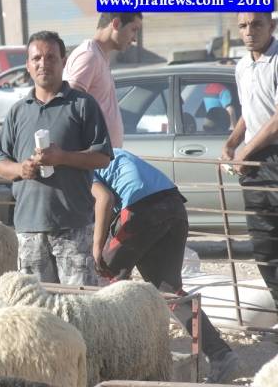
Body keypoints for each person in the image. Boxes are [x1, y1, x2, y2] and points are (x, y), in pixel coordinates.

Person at [92, 148, 239, 384]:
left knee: (105, 273)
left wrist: (97, 246)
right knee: (169, 291)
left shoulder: (79, 162)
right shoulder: (111, 152)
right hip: (173, 205)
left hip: (140, 210)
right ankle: (220, 354)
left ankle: (118, 360)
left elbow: (105, 199)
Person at [0, 31, 112, 286]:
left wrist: (62, 157)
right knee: (35, 307)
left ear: (63, 62)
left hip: (73, 228)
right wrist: (21, 169)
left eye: (50, 57)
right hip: (29, 229)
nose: (43, 64)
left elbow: (103, 157)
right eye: (36, 58)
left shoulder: (83, 105)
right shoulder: (17, 112)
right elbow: (0, 164)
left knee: (79, 305)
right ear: (27, 64)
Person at [222, 12, 278, 312]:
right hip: (256, 161)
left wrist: (244, 151)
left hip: (273, 155)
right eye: (243, 26)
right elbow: (249, 110)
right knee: (263, 242)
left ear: (272, 25)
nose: (249, 32)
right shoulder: (243, 66)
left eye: (256, 24)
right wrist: (232, 142)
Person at [63, 12, 142, 148]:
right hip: (93, 157)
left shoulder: (99, 56)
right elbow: (69, 107)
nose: (134, 39)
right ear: (116, 24)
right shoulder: (89, 56)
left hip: (103, 156)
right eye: (133, 29)